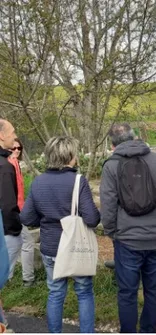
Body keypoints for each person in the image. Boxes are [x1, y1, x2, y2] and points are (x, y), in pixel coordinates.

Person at [100, 123, 156, 333]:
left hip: (126, 240)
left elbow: (107, 205)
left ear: (112, 144)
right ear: (134, 137)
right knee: (153, 290)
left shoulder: (111, 166)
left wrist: (113, 232)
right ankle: (148, 330)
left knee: (127, 292)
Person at [20, 136, 100, 333]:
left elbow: (27, 218)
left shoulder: (38, 182)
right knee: (83, 292)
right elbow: (91, 219)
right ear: (70, 156)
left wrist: (48, 219)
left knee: (55, 293)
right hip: (75, 247)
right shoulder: (78, 181)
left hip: (51, 248)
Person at [8, 138, 35, 287]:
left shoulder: (15, 164)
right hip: (13, 212)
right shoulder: (10, 164)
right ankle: (27, 279)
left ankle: (9, 277)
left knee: (16, 243)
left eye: (19, 148)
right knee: (27, 243)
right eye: (14, 148)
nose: (17, 150)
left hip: (18, 210)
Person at [0, 120, 22, 284]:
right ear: (1, 135)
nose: (15, 136)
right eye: (12, 132)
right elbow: (7, 204)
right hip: (6, 232)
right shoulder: (4, 167)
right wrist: (15, 230)